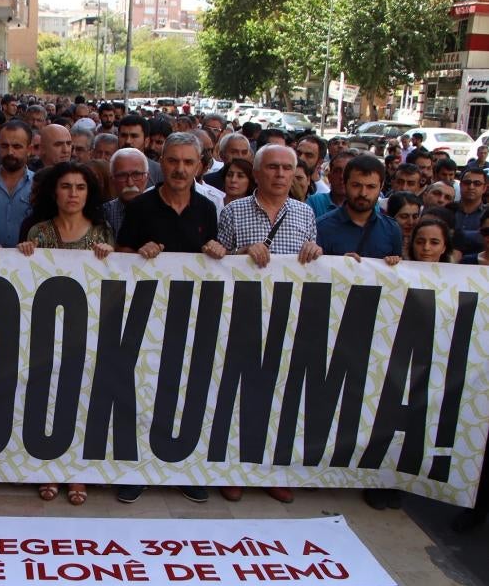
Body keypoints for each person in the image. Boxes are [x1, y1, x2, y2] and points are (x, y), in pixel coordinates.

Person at [114, 132, 221, 505]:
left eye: (188, 162)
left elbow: (214, 257)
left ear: (199, 166)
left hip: (191, 320)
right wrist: (137, 253)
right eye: (173, 161)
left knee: (188, 395)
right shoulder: (141, 207)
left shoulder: (207, 209)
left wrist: (217, 250)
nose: (180, 169)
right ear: (162, 162)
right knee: (144, 394)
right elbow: (120, 254)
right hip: (146, 318)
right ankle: (138, 471)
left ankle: (184, 469)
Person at [213, 144, 322, 504]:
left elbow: (313, 261)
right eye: (272, 167)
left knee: (280, 399)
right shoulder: (234, 211)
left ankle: (272, 473)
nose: (280, 174)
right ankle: (234, 471)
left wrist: (316, 253)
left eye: (287, 168)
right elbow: (215, 262)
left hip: (288, 321)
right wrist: (240, 254)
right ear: (257, 173)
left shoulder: (305, 213)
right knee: (237, 398)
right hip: (241, 319)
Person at [18, 161, 115, 507]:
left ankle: (77, 471)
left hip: (89, 331)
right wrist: (23, 256)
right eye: (66, 186)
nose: (73, 193)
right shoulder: (38, 232)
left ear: (89, 194)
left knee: (83, 398)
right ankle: (49, 468)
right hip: (45, 332)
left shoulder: (102, 233)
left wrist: (111, 256)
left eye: (80, 187)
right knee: (46, 397)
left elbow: (114, 280)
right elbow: (23, 280)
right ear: (54, 192)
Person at [317, 154, 401, 263]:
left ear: (381, 186)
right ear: (345, 184)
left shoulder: (392, 229)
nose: (363, 193)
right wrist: (339, 264)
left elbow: (398, 271)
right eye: (356, 185)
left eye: (371, 187)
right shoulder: (321, 228)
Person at [0, 119, 34, 248]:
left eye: (17, 146)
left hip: (29, 258)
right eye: (4, 146)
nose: (10, 152)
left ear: (29, 149)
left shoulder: (39, 186)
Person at [103, 147, 150, 234]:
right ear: (112, 180)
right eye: (122, 175)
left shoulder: (161, 212)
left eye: (136, 175)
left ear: (147, 177)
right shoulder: (104, 214)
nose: (130, 183)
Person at [307, 150, 357, 218]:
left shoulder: (365, 205)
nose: (342, 176)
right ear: (329, 177)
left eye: (348, 171)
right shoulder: (314, 202)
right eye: (337, 171)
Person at [453, 167, 488, 263]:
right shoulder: (448, 209)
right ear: (460, 185)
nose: (471, 187)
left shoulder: (487, 213)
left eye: (477, 184)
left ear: (484, 188)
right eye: (467, 183)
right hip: (448, 265)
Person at [117, 114, 163, 186]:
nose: (128, 141)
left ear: (146, 141)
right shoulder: (109, 168)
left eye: (134, 136)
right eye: (123, 135)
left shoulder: (159, 172)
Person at [386, 191, 422, 257]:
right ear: (390, 217)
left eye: (415, 217)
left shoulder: (425, 244)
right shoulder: (381, 242)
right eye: (404, 217)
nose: (410, 222)